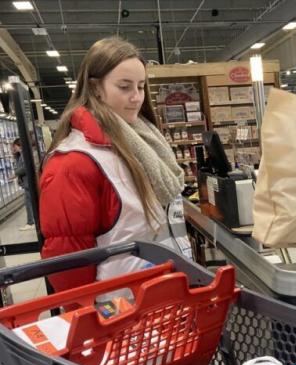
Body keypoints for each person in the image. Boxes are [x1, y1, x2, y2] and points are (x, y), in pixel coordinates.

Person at [40, 36, 186, 293]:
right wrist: (89, 312)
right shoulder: (74, 162)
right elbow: (66, 259)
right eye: (124, 87)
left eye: (141, 87)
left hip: (159, 291)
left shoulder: (143, 142)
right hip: (118, 308)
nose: (136, 98)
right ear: (96, 88)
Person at [12, 138, 35, 231]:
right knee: (29, 202)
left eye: (15, 146)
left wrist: (15, 174)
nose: (14, 148)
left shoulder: (24, 155)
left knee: (28, 203)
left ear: (19, 146)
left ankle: (30, 222)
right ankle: (32, 221)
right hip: (26, 182)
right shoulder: (21, 155)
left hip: (28, 182)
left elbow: (25, 168)